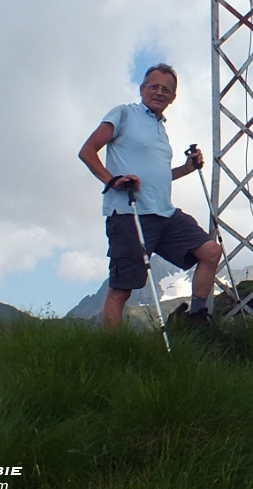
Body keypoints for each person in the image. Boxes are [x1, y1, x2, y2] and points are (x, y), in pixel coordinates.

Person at [78, 63, 222, 329]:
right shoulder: (123, 114)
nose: (159, 92)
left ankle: (197, 320)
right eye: (153, 86)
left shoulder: (161, 130)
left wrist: (187, 169)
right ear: (142, 88)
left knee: (210, 251)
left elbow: (159, 175)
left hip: (164, 213)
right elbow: (87, 151)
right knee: (122, 288)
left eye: (166, 89)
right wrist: (112, 180)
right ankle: (111, 350)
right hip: (128, 213)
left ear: (173, 97)